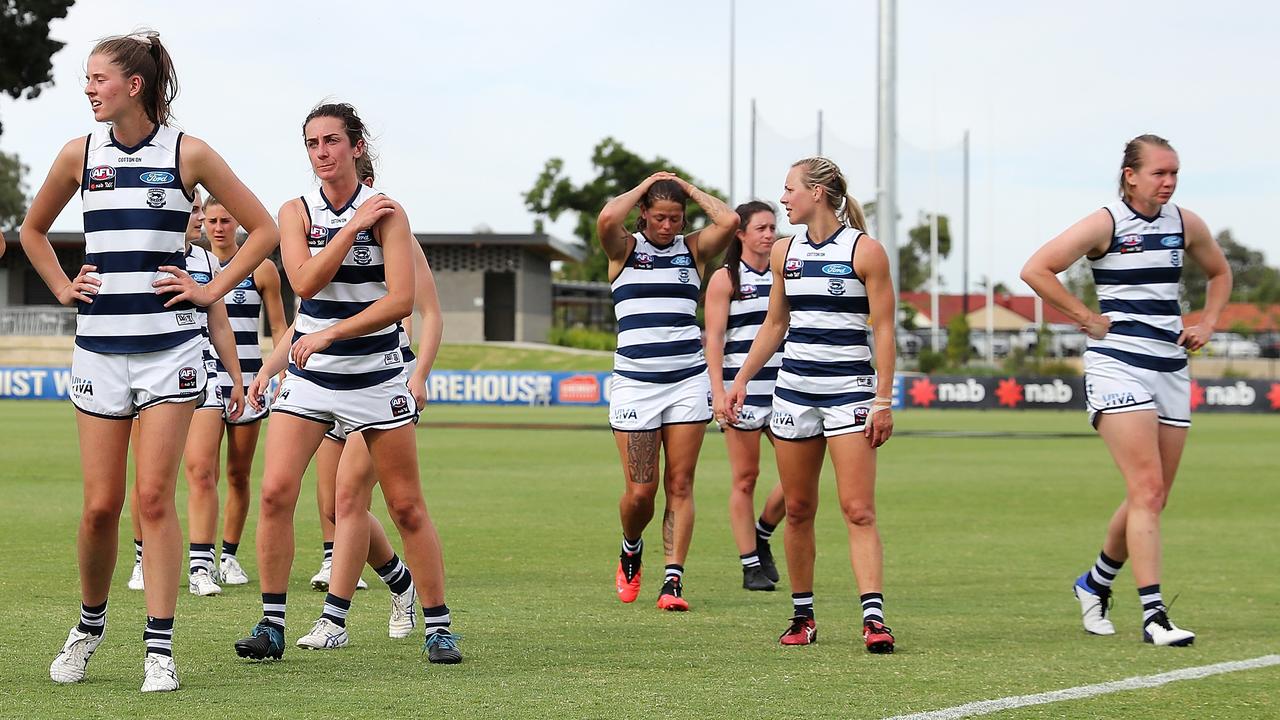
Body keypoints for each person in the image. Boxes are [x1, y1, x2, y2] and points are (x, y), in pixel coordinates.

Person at [22, 30, 279, 691]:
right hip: (99, 354)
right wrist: (60, 286)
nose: (87, 89)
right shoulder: (78, 154)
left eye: (97, 78)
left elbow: (266, 230)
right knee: (101, 507)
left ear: (133, 86)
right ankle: (89, 625)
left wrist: (211, 288)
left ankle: (159, 650)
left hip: (171, 355)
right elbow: (32, 229)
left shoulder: (187, 152)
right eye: (85, 79)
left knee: (155, 498)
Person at [232, 102, 460, 665]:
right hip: (311, 378)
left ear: (356, 146)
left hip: (377, 377)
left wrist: (331, 333)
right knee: (275, 492)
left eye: (332, 141)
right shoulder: (294, 211)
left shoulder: (389, 214)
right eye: (312, 144)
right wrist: (271, 366)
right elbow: (306, 284)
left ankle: (438, 625)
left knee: (406, 507)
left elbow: (402, 301)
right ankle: (272, 624)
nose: (322, 153)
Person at [1021, 134, 1231, 647]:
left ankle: (1094, 582)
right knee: (1146, 490)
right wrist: (1086, 318)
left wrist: (1208, 322)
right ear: (1130, 175)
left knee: (1152, 496)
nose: (1169, 182)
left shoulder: (1185, 222)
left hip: (1172, 369)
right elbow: (1035, 269)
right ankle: (1154, 615)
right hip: (1118, 367)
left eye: (1174, 172)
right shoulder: (1106, 223)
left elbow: (1220, 273)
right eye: (1160, 172)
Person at [724, 157, 897, 652]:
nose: (783, 199)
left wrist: (883, 399)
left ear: (818, 192)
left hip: (851, 394)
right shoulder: (784, 252)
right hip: (794, 392)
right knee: (797, 509)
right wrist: (740, 380)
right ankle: (803, 616)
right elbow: (775, 325)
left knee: (858, 510)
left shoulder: (866, 251)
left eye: (789, 189)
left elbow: (883, 329)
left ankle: (873, 618)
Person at [598, 172, 738, 611]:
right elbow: (606, 217)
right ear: (643, 214)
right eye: (659, 217)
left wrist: (689, 190)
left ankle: (673, 580)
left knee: (680, 483)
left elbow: (730, 221)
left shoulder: (693, 251)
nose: (668, 227)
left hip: (687, 381)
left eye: (676, 218)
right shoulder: (624, 249)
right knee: (641, 492)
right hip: (636, 385)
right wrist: (646, 184)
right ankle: (631, 545)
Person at [126, 188, 248, 598]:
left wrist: (235, 377)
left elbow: (220, 323)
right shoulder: (141, 250)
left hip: (202, 371)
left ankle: (200, 565)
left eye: (199, 208)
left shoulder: (206, 260)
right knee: (148, 479)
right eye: (193, 209)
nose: (198, 217)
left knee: (201, 470)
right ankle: (144, 558)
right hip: (150, 374)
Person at [201, 194, 288, 587]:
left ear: (237, 222)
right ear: (202, 222)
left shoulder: (261, 268)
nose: (218, 227)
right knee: (202, 472)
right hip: (203, 380)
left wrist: (281, 371)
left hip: (250, 380)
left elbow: (278, 327)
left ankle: (229, 557)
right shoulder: (195, 266)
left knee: (238, 473)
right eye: (211, 220)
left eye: (225, 220)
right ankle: (199, 560)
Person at [703, 200, 787, 591]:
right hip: (742, 390)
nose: (769, 234)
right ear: (741, 234)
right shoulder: (726, 278)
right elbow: (715, 338)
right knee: (745, 478)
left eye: (773, 227)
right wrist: (718, 391)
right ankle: (750, 564)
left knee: (798, 479)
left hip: (787, 388)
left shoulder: (786, 269)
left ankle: (763, 533)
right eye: (762, 228)